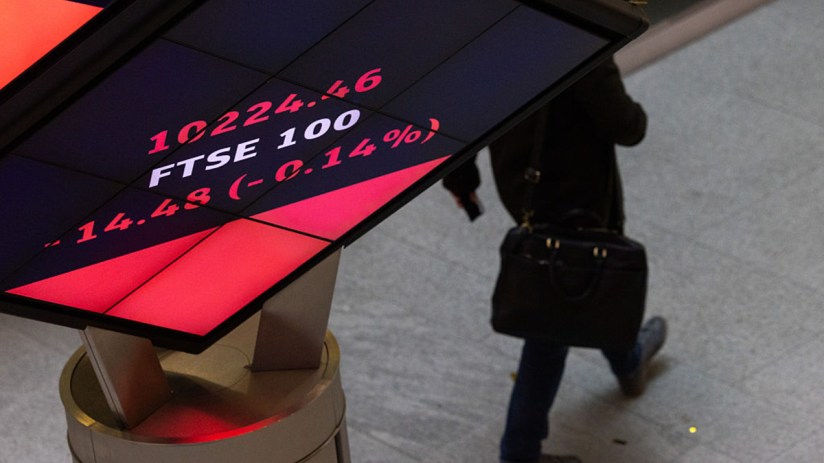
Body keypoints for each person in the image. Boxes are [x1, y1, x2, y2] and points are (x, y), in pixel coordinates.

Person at [443, 57, 667, 463]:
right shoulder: (583, 37)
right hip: (577, 196)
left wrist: (461, 175)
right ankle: (520, 452)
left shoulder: (503, 23)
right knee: (556, 315)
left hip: (522, 183)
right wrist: (635, 113)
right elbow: (628, 127)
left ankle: (629, 358)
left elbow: (466, 96)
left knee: (581, 283)